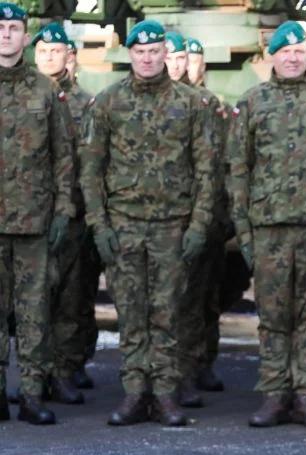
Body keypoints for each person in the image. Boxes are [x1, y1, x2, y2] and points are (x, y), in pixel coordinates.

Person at [81, 19, 217, 427]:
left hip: (171, 226)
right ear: (131, 55)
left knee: (167, 313)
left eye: (154, 51)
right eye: (139, 52)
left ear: (164, 54)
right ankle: (134, 392)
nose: (146, 58)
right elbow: (91, 171)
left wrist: (199, 225)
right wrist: (99, 225)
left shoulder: (191, 104)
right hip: (123, 225)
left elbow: (207, 171)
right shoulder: (108, 103)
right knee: (131, 313)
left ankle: (164, 394)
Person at [227, 22, 306, 428]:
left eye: (300, 51)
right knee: (273, 316)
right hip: (268, 227)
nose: (293, 57)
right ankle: (274, 394)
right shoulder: (251, 103)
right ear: (272, 57)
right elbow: (238, 170)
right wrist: (244, 230)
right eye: (285, 51)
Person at [0, 3, 74, 425]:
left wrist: (63, 209)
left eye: (14, 28)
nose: (7, 35)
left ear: (25, 37)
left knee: (33, 313)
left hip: (33, 220)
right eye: (1, 28)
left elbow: (64, 155)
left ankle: (30, 393)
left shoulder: (44, 90)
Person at [33, 21, 97, 408]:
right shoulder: (24, 95)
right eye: (42, 52)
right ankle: (34, 373)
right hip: (30, 215)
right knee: (34, 300)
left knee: (71, 299)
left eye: (56, 52)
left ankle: (63, 370)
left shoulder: (86, 103)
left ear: (69, 57)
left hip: (73, 215)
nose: (49, 58)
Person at [167, 33, 230, 406]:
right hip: (162, 217)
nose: (180, 66)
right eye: (173, 58)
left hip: (201, 217)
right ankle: (166, 375)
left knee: (199, 300)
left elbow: (219, 163)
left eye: (187, 60)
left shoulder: (208, 104)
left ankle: (194, 367)